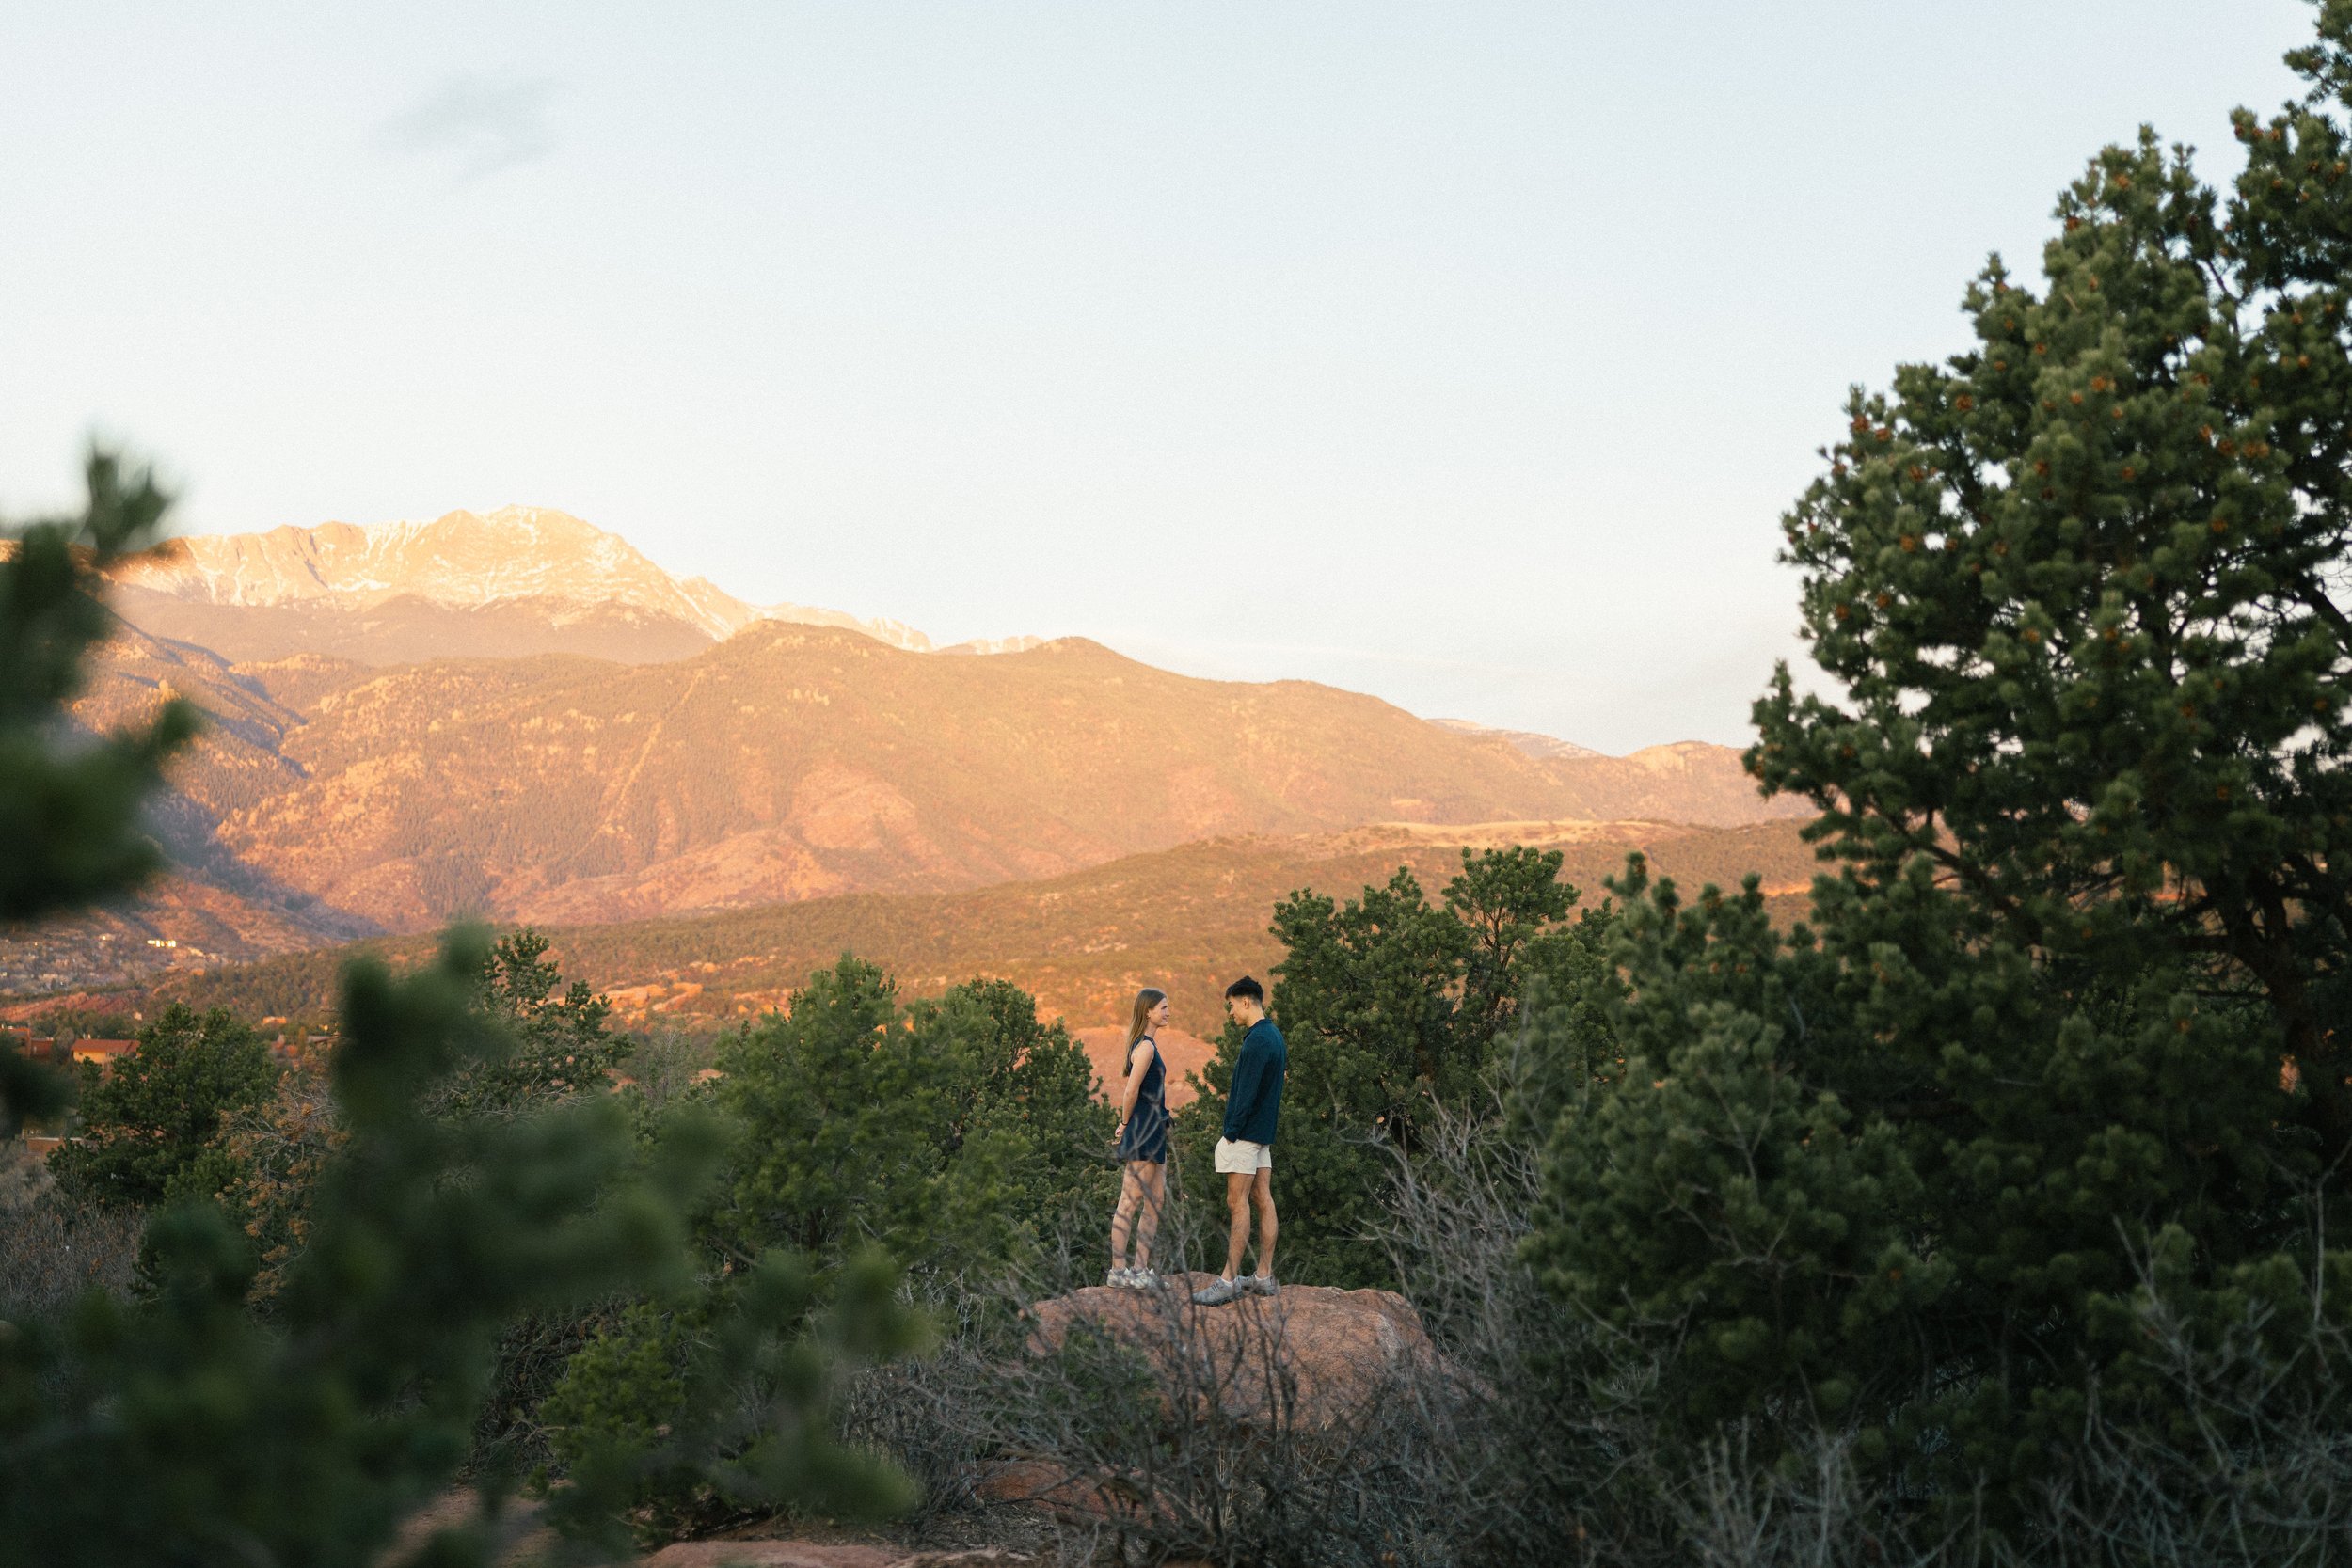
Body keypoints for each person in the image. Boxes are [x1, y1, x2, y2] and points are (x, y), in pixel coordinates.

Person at [1193, 974, 1285, 1306]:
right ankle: (1263, 1276)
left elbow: (1245, 1093)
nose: (1230, 1013)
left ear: (1246, 1001)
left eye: (1232, 1005)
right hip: (1263, 1134)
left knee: (1237, 1203)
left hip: (1245, 1135)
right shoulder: (1274, 1035)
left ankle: (1228, 1281)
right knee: (1263, 1197)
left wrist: (1231, 1132)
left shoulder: (1257, 1041)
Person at [1106, 987, 1171, 1290]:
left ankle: (1140, 1270)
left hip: (1155, 1129)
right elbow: (1131, 1091)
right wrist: (1124, 1121)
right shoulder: (1145, 1048)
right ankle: (1118, 1271)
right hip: (1144, 1129)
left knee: (1155, 1202)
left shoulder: (1150, 1046)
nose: (1168, 1012)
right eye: (1163, 1007)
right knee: (1129, 1202)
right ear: (1148, 1011)